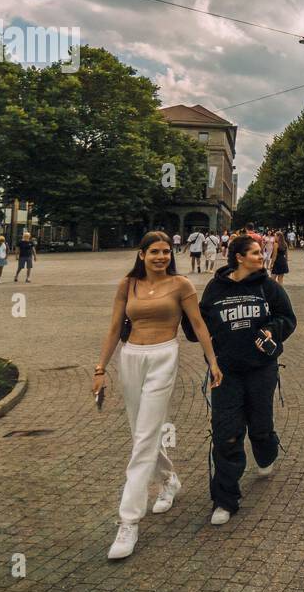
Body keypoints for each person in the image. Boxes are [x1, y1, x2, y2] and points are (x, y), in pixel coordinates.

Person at [95, 231, 223, 559]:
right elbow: (112, 329)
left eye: (166, 251)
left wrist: (213, 362)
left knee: (144, 438)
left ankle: (128, 521)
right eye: (154, 251)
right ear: (142, 254)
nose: (161, 257)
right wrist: (100, 369)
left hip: (164, 356)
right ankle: (169, 480)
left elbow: (199, 325)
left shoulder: (181, 285)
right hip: (130, 357)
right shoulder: (128, 285)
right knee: (141, 434)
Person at [200, 234, 297, 526]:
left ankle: (266, 452)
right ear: (238, 257)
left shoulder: (268, 287)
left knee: (260, 425)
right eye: (255, 253)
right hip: (225, 371)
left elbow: (288, 318)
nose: (261, 256)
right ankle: (225, 499)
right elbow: (198, 327)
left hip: (261, 369)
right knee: (226, 432)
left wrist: (272, 330)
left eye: (261, 252)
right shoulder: (215, 288)